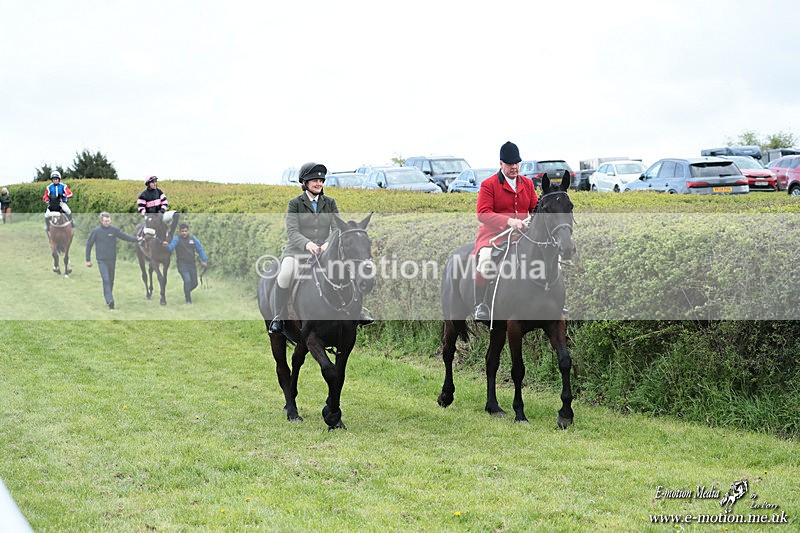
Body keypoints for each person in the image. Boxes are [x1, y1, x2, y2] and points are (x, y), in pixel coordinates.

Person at [269, 161, 372, 334]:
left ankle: (359, 311)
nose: (319, 183)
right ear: (304, 183)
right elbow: (292, 231)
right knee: (285, 273)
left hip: (325, 251)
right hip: (297, 251)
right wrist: (307, 244)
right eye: (314, 180)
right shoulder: (295, 204)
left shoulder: (330, 202)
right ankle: (278, 317)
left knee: (350, 269)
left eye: (321, 180)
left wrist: (326, 244)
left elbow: (337, 227)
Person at [472, 141, 539, 320]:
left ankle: (553, 303)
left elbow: (535, 209)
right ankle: (481, 304)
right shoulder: (489, 185)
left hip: (523, 235)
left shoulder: (528, 183)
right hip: (494, 235)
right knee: (486, 260)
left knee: (550, 255)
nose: (514, 167)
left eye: (517, 163)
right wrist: (509, 221)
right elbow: (482, 213)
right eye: (510, 164)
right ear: (501, 163)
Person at [85, 212, 141, 309]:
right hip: (101, 260)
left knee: (111, 280)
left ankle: (108, 296)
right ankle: (110, 300)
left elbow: (125, 237)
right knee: (105, 279)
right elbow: (89, 245)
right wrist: (88, 260)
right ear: (101, 221)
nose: (107, 222)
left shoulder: (114, 230)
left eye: (109, 220)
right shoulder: (96, 231)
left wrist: (137, 239)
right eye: (105, 221)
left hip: (112, 259)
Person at [167, 222, 208, 304]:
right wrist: (166, 246)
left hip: (192, 264)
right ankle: (188, 300)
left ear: (188, 231)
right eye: (182, 231)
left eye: (185, 231)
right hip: (182, 265)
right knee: (187, 280)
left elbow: (200, 250)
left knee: (195, 283)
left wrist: (205, 260)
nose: (184, 233)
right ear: (179, 232)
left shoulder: (193, 239)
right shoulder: (176, 239)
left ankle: (186, 291)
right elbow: (170, 248)